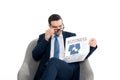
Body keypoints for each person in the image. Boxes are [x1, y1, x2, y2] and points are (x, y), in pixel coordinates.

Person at [32, 14, 97, 80]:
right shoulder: (43, 37)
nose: (58, 29)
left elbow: (80, 55)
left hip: (66, 70)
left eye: (60, 26)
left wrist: (92, 47)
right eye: (55, 27)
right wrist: (45, 40)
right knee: (52, 64)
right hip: (48, 71)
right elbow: (35, 55)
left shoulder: (71, 36)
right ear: (50, 27)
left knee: (53, 61)